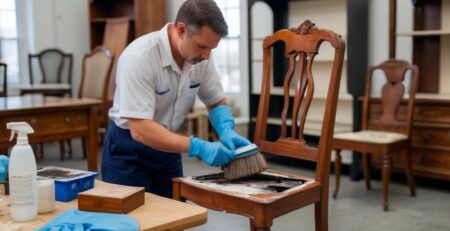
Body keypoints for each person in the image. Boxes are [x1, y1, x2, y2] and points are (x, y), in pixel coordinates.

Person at [101, 0, 251, 198]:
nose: (206, 56)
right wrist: (198, 147)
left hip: (167, 146)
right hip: (128, 149)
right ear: (181, 30)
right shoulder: (139, 57)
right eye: (202, 46)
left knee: (175, 216)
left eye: (211, 49)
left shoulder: (201, 57)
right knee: (134, 222)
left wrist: (226, 129)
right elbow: (140, 129)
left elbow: (215, 101)